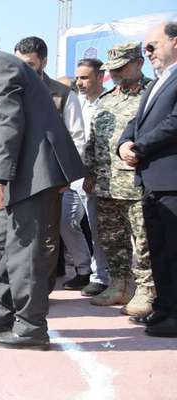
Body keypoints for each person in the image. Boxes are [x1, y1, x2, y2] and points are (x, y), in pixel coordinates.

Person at [0, 24, 84, 350]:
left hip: (30, 179)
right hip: (19, 178)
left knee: (26, 254)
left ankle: (30, 328)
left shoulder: (0, 67)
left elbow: (9, 124)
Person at [83, 42, 154, 317]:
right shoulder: (107, 99)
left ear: (139, 63)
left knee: (144, 241)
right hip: (106, 183)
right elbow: (93, 141)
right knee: (113, 239)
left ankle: (148, 289)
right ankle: (119, 285)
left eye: (122, 67)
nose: (116, 74)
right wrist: (89, 172)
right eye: (112, 69)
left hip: (137, 184)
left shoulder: (152, 95)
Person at [14, 36, 89, 291]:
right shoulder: (10, 90)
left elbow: (77, 138)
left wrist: (65, 177)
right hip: (16, 177)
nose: (24, 69)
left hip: (51, 180)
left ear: (44, 62)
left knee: (47, 236)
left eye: (30, 64)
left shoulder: (62, 95)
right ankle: (20, 287)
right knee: (18, 236)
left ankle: (41, 292)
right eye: (19, 63)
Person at [118, 22, 177, 336]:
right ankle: (164, 308)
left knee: (174, 249)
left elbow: (174, 122)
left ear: (175, 43)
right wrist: (124, 144)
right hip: (151, 180)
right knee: (159, 250)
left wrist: (139, 147)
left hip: (172, 179)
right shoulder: (157, 82)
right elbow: (135, 122)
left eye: (153, 45)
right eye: (146, 47)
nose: (148, 52)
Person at [72, 58, 110, 296]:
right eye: (78, 78)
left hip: (94, 176)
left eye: (85, 78)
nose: (80, 83)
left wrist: (91, 174)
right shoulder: (77, 103)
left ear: (100, 77)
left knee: (96, 228)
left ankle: (100, 276)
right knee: (66, 223)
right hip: (73, 175)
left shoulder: (108, 103)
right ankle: (83, 269)